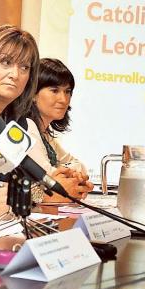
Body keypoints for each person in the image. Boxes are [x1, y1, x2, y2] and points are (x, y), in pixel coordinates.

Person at [0, 25, 88, 217]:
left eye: (24, 67)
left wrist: (51, 182)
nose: (15, 75)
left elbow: (14, 175)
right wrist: (40, 194)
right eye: (6, 63)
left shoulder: (15, 120)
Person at [26, 58, 93, 202]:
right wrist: (68, 175)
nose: (63, 99)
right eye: (54, 91)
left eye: (67, 91)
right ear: (33, 94)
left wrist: (72, 175)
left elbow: (79, 165)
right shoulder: (27, 127)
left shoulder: (45, 133)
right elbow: (49, 179)